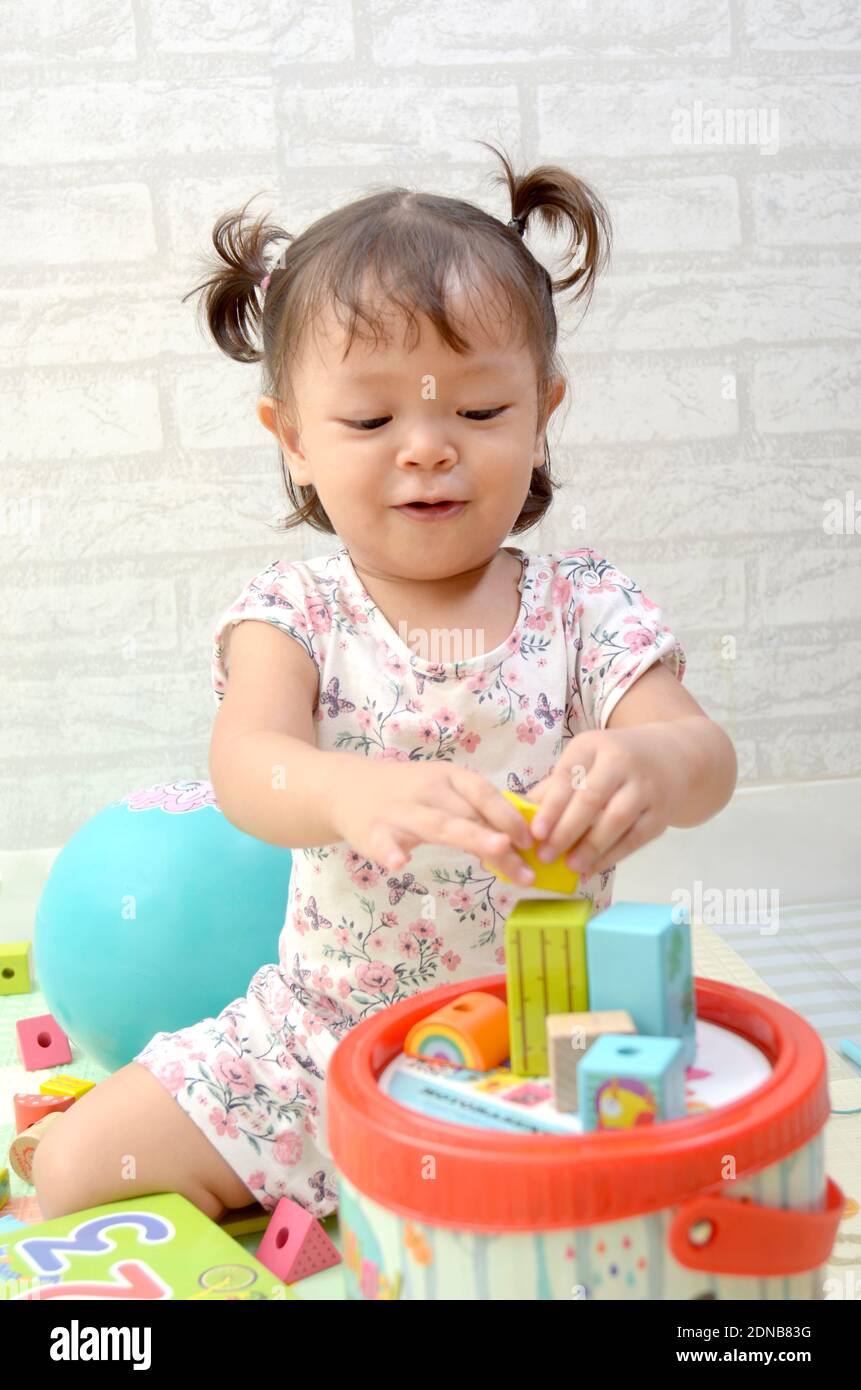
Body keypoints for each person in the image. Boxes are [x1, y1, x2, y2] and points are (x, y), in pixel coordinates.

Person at [34, 144, 736, 1223]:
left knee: (646, 1201)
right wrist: (345, 790)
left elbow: (704, 761)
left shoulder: (588, 605)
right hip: (325, 1036)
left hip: (547, 1044)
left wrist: (650, 759)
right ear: (295, 441)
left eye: (480, 413)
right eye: (371, 421)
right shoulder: (296, 613)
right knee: (81, 1168)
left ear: (542, 410)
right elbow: (246, 765)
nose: (427, 450)